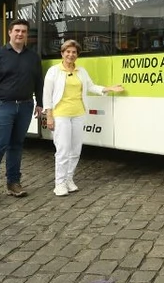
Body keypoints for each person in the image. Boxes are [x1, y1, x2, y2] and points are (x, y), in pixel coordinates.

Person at [42, 39, 123, 196]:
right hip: (61, 115)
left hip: (78, 114)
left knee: (75, 150)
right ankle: (59, 184)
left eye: (74, 52)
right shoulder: (54, 71)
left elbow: (91, 86)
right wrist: (49, 117)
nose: (71, 55)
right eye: (68, 52)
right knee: (63, 150)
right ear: (62, 53)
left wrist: (108, 88)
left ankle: (69, 179)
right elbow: (47, 96)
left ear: (77, 55)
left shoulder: (81, 71)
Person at [0, 18, 44, 206]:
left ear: (26, 35)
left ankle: (13, 183)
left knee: (17, 146)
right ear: (10, 33)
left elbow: (39, 82)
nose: (20, 34)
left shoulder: (33, 57)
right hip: (2, 106)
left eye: (23, 31)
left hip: (25, 106)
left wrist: (40, 103)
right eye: (17, 31)